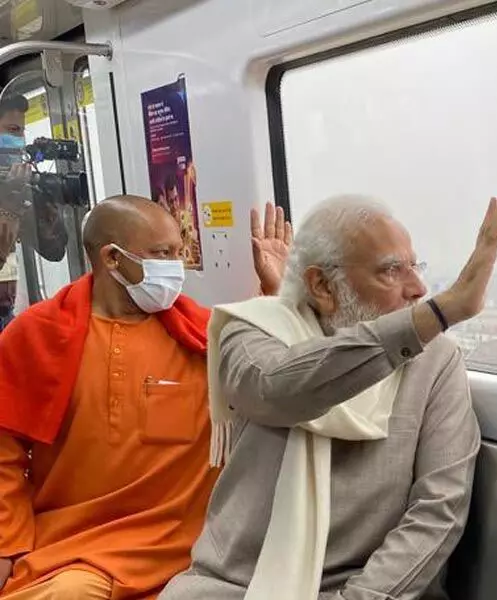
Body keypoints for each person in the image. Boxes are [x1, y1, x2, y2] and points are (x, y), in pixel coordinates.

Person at [161, 187, 497, 600]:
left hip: (363, 590)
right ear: (323, 286)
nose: (418, 288)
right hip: (235, 584)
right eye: (391, 271)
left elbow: (437, 510)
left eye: (414, 266)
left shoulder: (435, 362)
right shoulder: (251, 331)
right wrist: (440, 313)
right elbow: (279, 388)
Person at [0, 196, 293, 599]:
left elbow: (285, 373)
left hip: (194, 549)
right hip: (77, 552)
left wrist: (279, 293)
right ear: (112, 259)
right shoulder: (34, 336)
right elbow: (4, 456)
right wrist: (7, 544)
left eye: (179, 252)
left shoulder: (206, 334)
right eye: (162, 254)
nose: (176, 267)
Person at [0, 94, 68, 331]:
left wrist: (45, 200)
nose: (19, 140)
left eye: (21, 132)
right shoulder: (9, 195)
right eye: (12, 130)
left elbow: (54, 250)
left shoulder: (14, 186)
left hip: (5, 312)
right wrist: (8, 207)